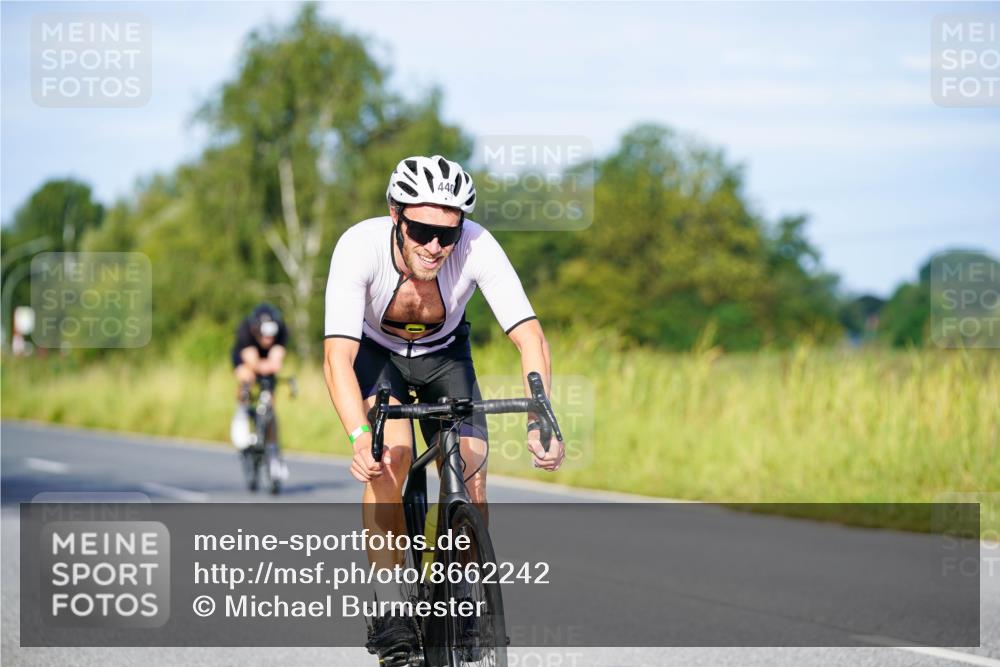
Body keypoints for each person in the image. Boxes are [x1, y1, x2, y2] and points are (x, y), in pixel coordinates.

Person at [322, 155, 565, 662]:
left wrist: (541, 415)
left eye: (447, 234)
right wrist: (356, 436)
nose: (435, 246)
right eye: (422, 230)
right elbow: (337, 357)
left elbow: (529, 335)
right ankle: (391, 611)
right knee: (390, 458)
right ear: (396, 215)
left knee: (472, 471)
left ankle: (463, 598)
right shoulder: (358, 247)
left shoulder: (476, 245)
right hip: (376, 357)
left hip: (445, 357)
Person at [229, 304, 289, 481]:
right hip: (244, 357)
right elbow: (253, 362)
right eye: (264, 335)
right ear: (256, 329)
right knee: (247, 377)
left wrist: (269, 367)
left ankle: (272, 451)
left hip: (267, 360)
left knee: (269, 400)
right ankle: (241, 414)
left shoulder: (282, 331)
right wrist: (260, 367)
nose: (268, 339)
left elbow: (276, 363)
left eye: (272, 335)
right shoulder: (245, 330)